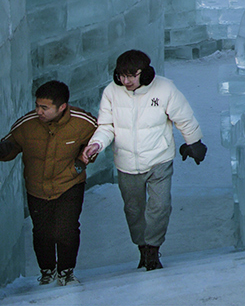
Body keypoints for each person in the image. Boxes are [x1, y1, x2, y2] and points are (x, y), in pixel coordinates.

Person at [81, 50, 205, 272]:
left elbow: (184, 117)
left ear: (145, 73)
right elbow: (106, 126)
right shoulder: (111, 92)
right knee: (133, 210)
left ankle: (153, 251)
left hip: (159, 159)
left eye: (131, 75)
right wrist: (96, 144)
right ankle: (142, 248)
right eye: (122, 76)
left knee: (160, 207)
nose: (126, 81)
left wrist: (194, 142)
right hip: (126, 163)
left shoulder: (165, 88)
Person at [0, 81, 97, 287]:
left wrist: (82, 162)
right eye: (37, 105)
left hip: (69, 183)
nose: (38, 111)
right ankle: (47, 272)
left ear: (62, 107)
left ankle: (66, 272)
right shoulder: (27, 124)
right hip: (37, 188)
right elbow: (10, 143)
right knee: (42, 233)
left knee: (66, 230)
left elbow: (99, 138)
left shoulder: (82, 122)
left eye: (44, 108)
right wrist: (2, 151)